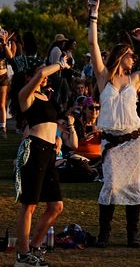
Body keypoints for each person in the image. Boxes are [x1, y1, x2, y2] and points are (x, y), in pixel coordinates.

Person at [87, 0, 140, 249]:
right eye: (131, 55)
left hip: (135, 139)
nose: (134, 58)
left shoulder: (135, 79)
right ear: (121, 56)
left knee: (133, 186)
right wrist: (94, 14)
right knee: (110, 184)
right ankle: (104, 234)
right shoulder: (104, 79)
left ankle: (133, 235)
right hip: (112, 140)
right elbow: (92, 42)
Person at [11, 61, 68, 267]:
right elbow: (44, 71)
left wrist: (58, 137)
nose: (44, 77)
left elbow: (52, 123)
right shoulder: (25, 96)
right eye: (38, 75)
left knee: (56, 206)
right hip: (33, 151)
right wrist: (60, 64)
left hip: (49, 152)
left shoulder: (46, 96)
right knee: (30, 205)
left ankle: (34, 247)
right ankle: (22, 255)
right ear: (30, 77)